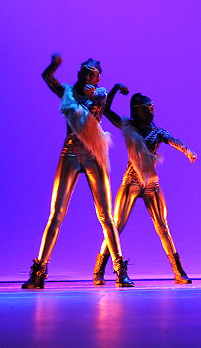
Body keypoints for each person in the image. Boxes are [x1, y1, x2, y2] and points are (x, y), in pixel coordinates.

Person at [22, 54, 133, 289]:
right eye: (84, 72)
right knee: (56, 214)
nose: (86, 76)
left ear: (98, 77)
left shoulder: (100, 94)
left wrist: (113, 90)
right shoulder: (68, 92)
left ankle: (120, 270)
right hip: (71, 152)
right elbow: (47, 78)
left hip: (94, 154)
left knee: (106, 215)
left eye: (92, 74)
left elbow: (103, 111)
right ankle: (39, 271)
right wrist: (54, 65)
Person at [92, 88, 197, 285]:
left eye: (152, 107)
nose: (151, 110)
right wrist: (115, 90)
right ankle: (99, 269)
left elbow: (173, 140)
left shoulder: (157, 132)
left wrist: (187, 151)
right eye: (147, 107)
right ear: (137, 110)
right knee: (116, 226)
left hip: (151, 183)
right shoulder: (128, 126)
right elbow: (107, 111)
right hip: (131, 181)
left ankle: (178, 271)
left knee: (162, 226)